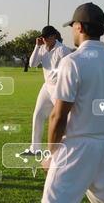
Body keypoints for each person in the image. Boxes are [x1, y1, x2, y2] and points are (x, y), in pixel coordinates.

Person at [41, 3, 104, 202]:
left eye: (72, 26)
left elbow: (58, 115)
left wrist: (52, 153)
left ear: (79, 26)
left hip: (76, 148)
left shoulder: (72, 61)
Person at [22, 26, 71, 156]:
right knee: (37, 115)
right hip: (46, 87)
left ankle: (67, 150)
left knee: (63, 119)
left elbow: (71, 68)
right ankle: (35, 149)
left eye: (46, 37)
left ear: (54, 36)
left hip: (59, 88)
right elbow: (32, 64)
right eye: (42, 37)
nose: (44, 39)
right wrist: (37, 47)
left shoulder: (62, 50)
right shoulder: (42, 48)